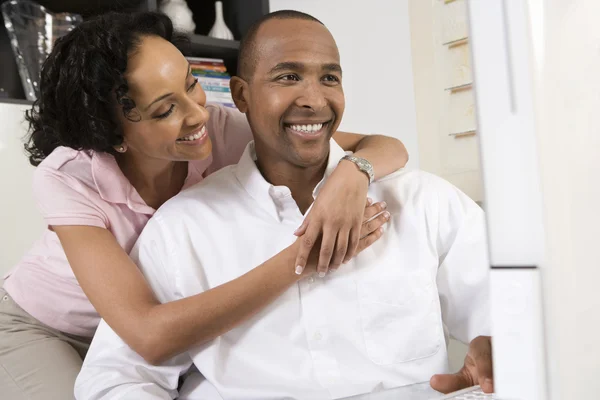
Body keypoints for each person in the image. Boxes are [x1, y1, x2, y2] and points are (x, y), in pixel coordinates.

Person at [75, 10, 493, 400]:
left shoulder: (423, 203)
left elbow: (513, 311)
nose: (314, 99)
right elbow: (116, 377)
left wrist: (501, 348)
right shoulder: (181, 229)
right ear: (241, 95)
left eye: (330, 78)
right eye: (288, 77)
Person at [0, 11, 409, 400]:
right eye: (165, 109)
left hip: (169, 329)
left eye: (191, 83)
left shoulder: (219, 129)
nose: (198, 114)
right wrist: (304, 258)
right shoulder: (69, 177)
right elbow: (147, 334)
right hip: (48, 329)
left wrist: (353, 175)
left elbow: (383, 145)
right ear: (111, 134)